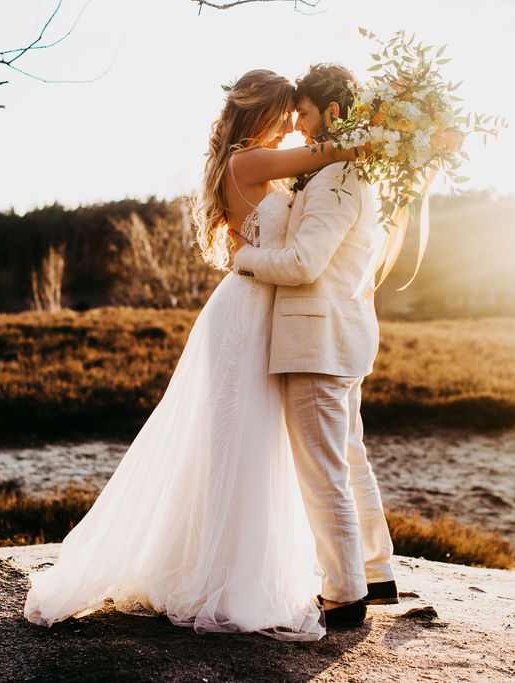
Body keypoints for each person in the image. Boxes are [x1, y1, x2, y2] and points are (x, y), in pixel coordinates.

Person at [23, 69, 356, 641]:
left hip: (260, 310)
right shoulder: (247, 162)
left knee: (254, 444)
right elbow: (335, 151)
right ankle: (223, 581)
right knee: (239, 442)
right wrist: (401, 133)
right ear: (262, 114)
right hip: (245, 313)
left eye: (296, 112)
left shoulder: (260, 162)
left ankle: (231, 572)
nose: (292, 124)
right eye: (285, 112)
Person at [230, 63, 398, 628]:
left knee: (322, 470)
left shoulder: (335, 178)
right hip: (340, 335)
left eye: (303, 113)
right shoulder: (351, 170)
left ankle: (345, 594)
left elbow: (303, 264)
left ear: (331, 111)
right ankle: (376, 572)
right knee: (350, 460)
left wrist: (244, 259)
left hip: (316, 341)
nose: (299, 126)